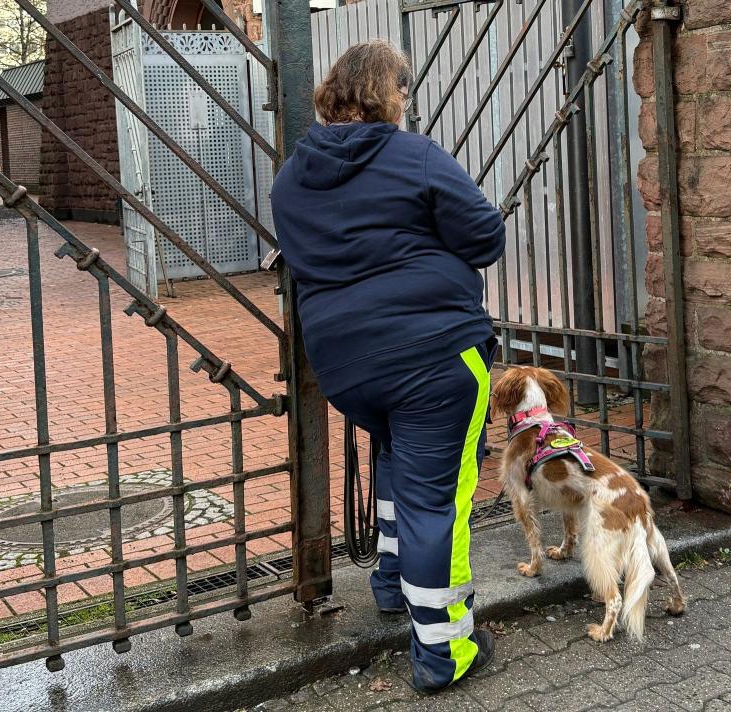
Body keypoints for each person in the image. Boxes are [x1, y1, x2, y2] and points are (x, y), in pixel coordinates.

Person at [269, 40, 506, 692]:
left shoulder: (291, 177)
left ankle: (391, 584)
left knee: (399, 456)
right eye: (404, 90)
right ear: (388, 92)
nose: (407, 102)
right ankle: (444, 650)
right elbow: (486, 236)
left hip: (346, 366)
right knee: (439, 498)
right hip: (434, 354)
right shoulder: (412, 154)